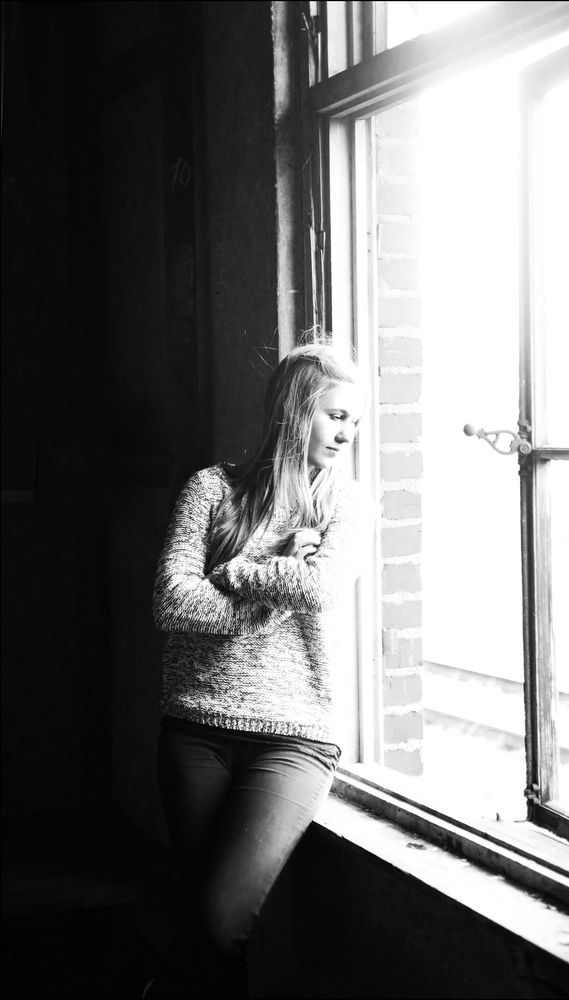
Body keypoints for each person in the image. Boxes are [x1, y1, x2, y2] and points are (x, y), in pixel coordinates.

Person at [145, 342, 373, 999]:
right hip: (195, 728)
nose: (347, 434)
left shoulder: (346, 503)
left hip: (294, 739)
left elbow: (321, 588)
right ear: (295, 411)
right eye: (336, 416)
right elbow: (171, 602)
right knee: (211, 930)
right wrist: (280, 576)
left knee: (218, 924)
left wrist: (234, 574)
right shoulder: (210, 488)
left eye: (355, 422)